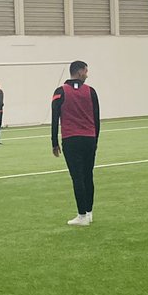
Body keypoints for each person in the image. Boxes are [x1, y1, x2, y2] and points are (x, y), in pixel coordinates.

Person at [51, 60, 100, 227]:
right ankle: (89, 212)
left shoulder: (60, 92)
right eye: (86, 71)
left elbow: (55, 117)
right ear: (79, 73)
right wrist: (95, 139)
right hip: (89, 139)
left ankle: (81, 215)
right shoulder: (91, 92)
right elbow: (96, 118)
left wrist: (54, 142)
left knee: (77, 177)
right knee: (88, 175)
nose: (87, 74)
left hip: (71, 139)